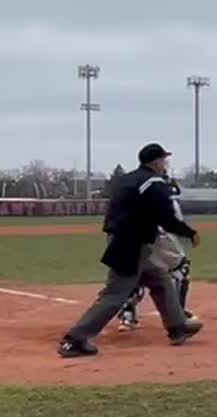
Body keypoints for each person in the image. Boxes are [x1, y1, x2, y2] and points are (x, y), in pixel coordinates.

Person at [58, 143, 202, 358]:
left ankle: (177, 326)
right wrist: (188, 233)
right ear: (155, 162)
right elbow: (167, 218)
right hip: (131, 244)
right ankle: (76, 339)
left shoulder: (127, 179)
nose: (165, 164)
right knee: (115, 294)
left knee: (160, 279)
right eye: (163, 160)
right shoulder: (154, 183)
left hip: (126, 240)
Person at [120, 177, 195, 332]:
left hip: (130, 237)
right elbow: (175, 220)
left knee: (138, 271)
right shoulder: (166, 195)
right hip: (157, 236)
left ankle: (127, 314)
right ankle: (177, 314)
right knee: (181, 268)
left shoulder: (136, 193)